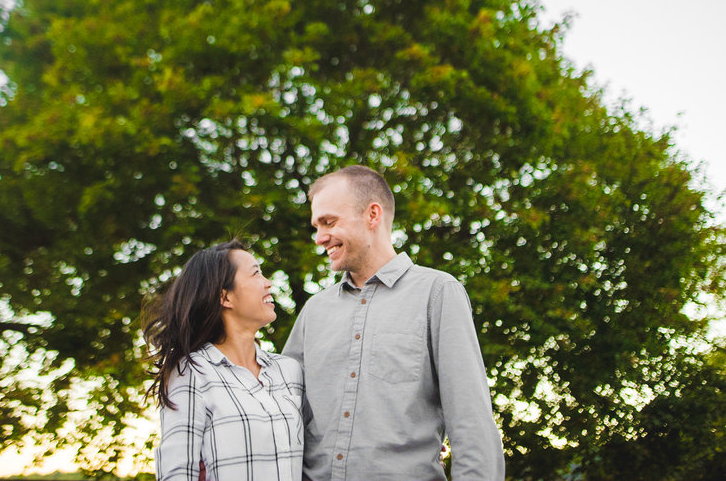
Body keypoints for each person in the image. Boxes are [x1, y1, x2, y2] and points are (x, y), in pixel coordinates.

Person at [283, 166, 505, 481]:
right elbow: (281, 413)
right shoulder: (314, 311)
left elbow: (472, 421)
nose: (319, 238)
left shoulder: (438, 293)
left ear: (372, 215)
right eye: (316, 226)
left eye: (328, 222)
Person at [144, 239, 304, 481]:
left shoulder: (288, 370)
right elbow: (177, 473)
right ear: (225, 297)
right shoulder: (193, 373)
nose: (268, 283)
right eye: (256, 274)